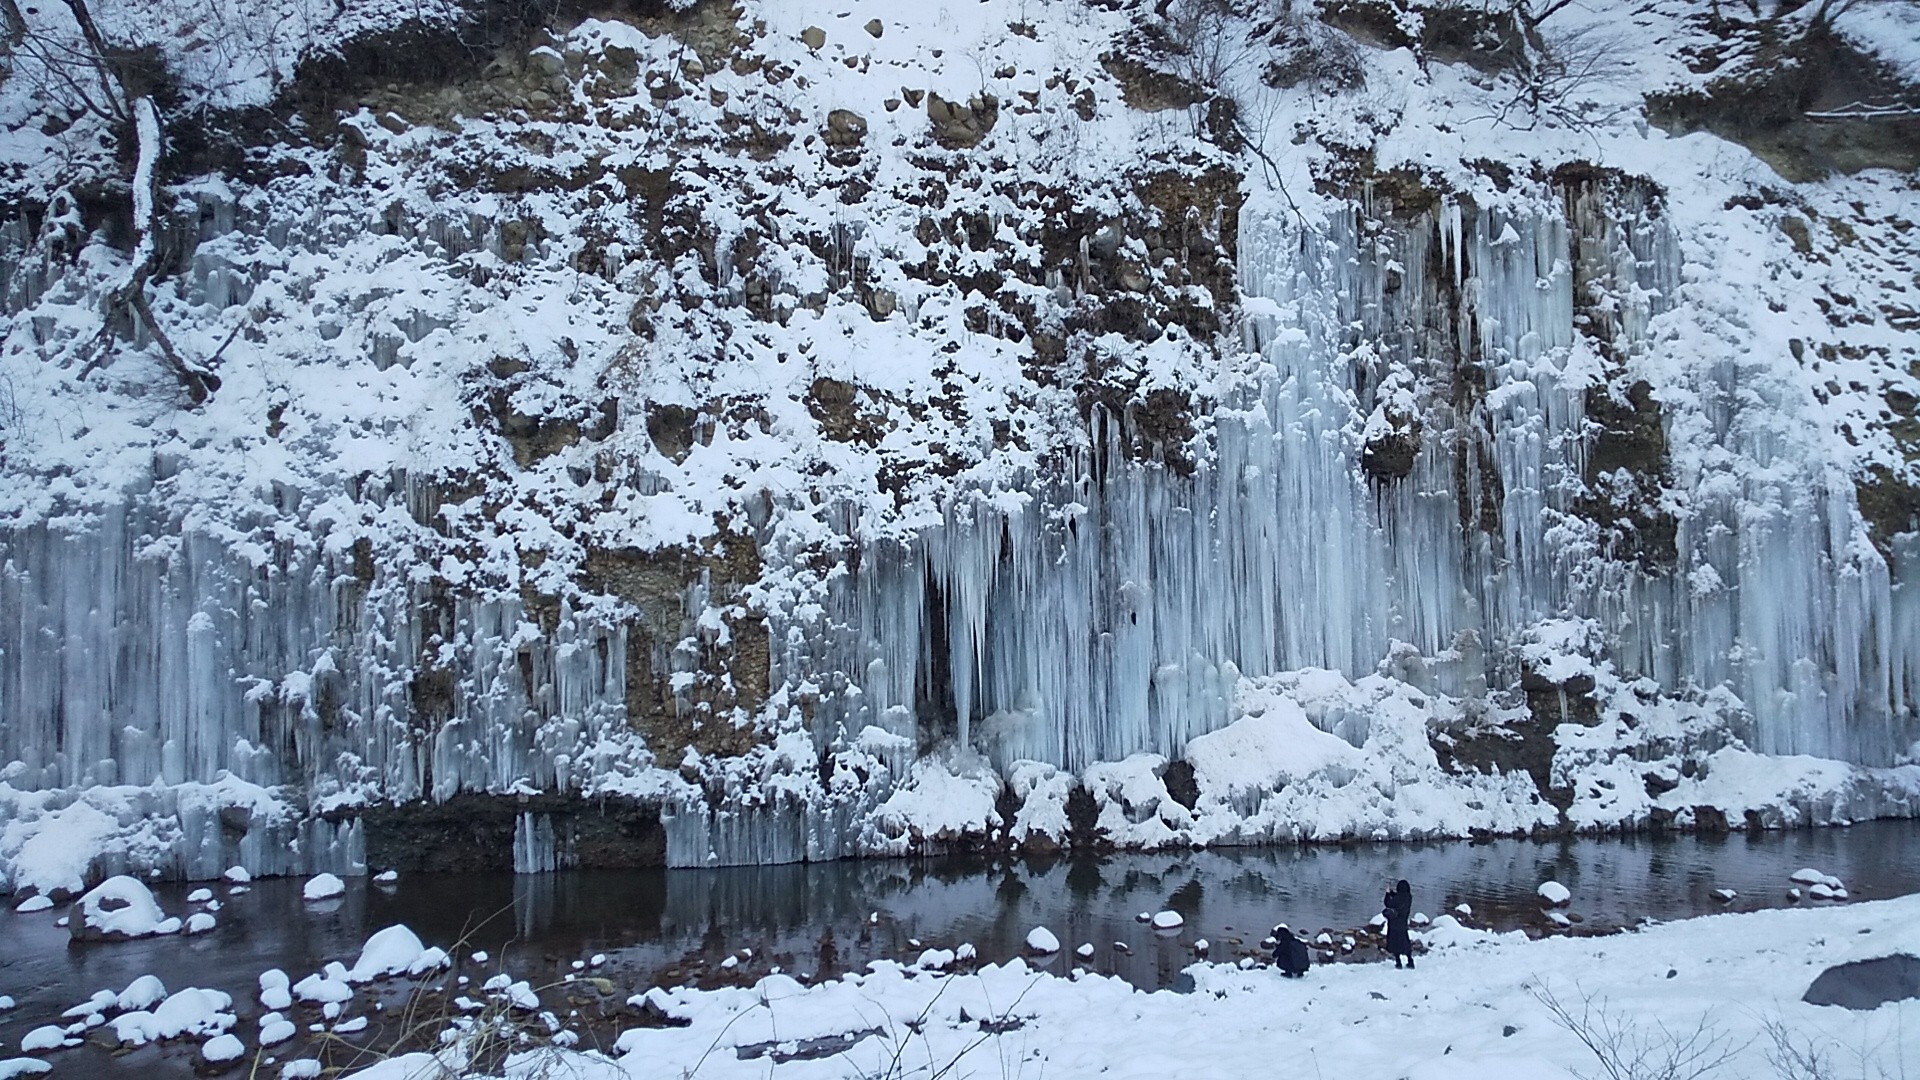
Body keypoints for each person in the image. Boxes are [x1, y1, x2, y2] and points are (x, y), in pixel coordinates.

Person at [1383, 879, 1414, 970]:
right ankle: (1410, 961)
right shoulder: (1409, 897)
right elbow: (1398, 899)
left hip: (1394, 925)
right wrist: (1392, 893)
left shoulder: (1397, 898)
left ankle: (1398, 962)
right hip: (1403, 925)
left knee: (1395, 944)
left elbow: (1388, 903)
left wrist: (1387, 893)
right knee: (1406, 943)